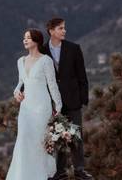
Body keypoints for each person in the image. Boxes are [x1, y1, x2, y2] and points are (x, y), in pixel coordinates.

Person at [6, 28, 62, 180]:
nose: (25, 40)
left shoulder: (46, 61)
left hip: (42, 107)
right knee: (23, 140)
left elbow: (52, 85)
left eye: (28, 38)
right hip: (26, 108)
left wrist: (58, 106)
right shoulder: (20, 61)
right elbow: (20, 83)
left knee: (38, 142)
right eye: (24, 38)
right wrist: (16, 92)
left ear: (36, 41)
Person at [45, 17, 92, 180]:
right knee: (57, 137)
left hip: (73, 100)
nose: (64, 31)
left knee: (76, 135)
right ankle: (60, 171)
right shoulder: (43, 50)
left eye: (64, 28)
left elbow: (82, 75)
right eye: (60, 28)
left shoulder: (73, 48)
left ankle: (79, 169)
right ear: (51, 31)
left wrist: (83, 98)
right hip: (53, 103)